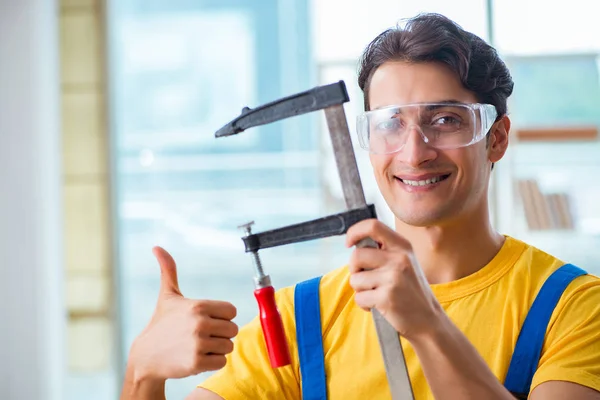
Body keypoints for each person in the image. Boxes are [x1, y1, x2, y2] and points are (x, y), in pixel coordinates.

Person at [120, 13, 600, 400]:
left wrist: (428, 326)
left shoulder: (575, 308)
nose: (414, 152)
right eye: (390, 124)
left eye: (446, 120)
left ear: (495, 139)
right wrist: (143, 374)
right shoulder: (299, 319)